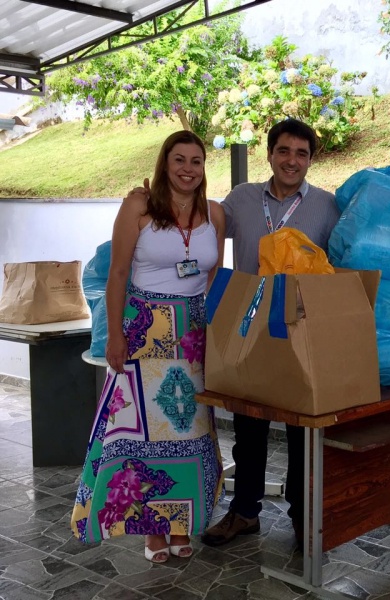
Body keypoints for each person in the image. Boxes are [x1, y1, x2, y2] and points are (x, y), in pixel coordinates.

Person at [71, 131, 226, 563]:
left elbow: (214, 277)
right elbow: (118, 273)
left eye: (196, 161)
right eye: (179, 159)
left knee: (190, 430)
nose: (188, 169)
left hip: (194, 332)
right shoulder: (138, 206)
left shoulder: (215, 213)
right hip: (144, 330)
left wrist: (216, 332)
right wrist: (116, 334)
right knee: (138, 433)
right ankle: (151, 529)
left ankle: (180, 521)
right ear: (165, 163)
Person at [201, 118, 341, 548]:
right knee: (248, 425)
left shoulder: (327, 206)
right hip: (248, 325)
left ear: (310, 161)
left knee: (302, 429)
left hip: (300, 327)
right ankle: (244, 512)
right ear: (270, 154)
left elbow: (348, 255)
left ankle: (303, 517)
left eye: (302, 154)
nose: (292, 161)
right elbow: (198, 225)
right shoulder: (241, 199)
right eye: (284, 151)